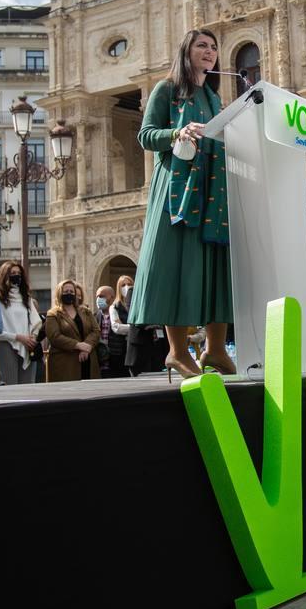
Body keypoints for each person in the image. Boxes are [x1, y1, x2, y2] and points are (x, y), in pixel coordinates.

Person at [130, 29, 235, 379]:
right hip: (178, 188)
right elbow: (146, 136)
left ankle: (216, 350)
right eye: (201, 46)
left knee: (214, 266)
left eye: (214, 47)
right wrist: (177, 132)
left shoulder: (214, 97)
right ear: (186, 52)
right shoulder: (168, 89)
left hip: (213, 190)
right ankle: (176, 352)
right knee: (177, 265)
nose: (210, 52)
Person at [0, 260, 41, 386]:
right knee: (10, 385)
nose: (16, 275)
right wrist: (18, 337)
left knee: (27, 386)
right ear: (5, 275)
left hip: (28, 346)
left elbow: (36, 322)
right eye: (12, 273)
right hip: (6, 344)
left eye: (18, 273)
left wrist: (32, 338)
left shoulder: (26, 298)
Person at [44, 279, 100, 381]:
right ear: (59, 293)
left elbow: (96, 331)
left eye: (71, 292)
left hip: (88, 360)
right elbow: (54, 337)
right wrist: (77, 345)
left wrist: (87, 346)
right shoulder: (53, 314)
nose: (69, 294)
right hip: (65, 364)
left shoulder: (85, 311)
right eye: (65, 292)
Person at [96, 285, 121, 377]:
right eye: (97, 296)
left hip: (117, 363)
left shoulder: (120, 314)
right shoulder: (95, 316)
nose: (99, 299)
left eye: (102, 296)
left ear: (112, 297)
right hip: (101, 363)